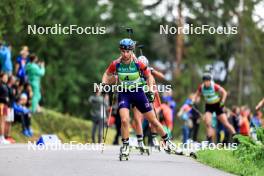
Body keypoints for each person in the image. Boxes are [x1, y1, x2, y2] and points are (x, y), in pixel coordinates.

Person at [102, 38, 176, 158]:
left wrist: (150, 90)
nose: (125, 54)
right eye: (123, 51)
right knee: (125, 120)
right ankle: (125, 146)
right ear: (120, 51)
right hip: (124, 93)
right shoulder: (116, 63)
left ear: (132, 51)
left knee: (153, 121)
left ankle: (167, 141)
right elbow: (106, 74)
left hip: (138, 94)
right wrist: (104, 84)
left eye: (128, 51)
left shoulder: (138, 63)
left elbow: (149, 77)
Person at [191, 72, 236, 143]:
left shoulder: (214, 86)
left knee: (226, 123)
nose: (206, 83)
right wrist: (192, 101)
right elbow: (196, 95)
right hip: (209, 106)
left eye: (208, 81)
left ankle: (236, 139)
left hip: (217, 105)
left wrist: (222, 102)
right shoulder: (201, 87)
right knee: (208, 123)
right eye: (205, 81)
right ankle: (209, 141)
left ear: (210, 81)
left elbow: (224, 92)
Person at [4, 75, 17, 143]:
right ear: (10, 80)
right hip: (8, 107)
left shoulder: (12, 88)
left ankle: (8, 136)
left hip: (11, 107)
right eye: (13, 79)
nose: (15, 81)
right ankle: (5, 136)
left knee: (10, 122)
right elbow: (7, 98)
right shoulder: (6, 87)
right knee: (6, 121)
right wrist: (9, 106)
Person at [0, 73, 10, 144]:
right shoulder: (0, 85)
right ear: (1, 78)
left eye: (7, 77)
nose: (6, 78)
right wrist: (4, 99)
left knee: (4, 122)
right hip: (2, 105)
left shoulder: (5, 86)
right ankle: (1, 137)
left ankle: (3, 137)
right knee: (1, 122)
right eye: (4, 77)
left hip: (5, 105)